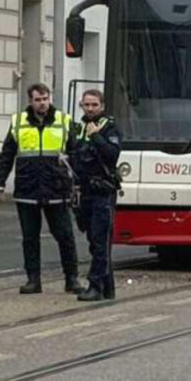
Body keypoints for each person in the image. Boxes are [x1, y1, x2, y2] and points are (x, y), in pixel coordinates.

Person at [0, 83, 82, 295]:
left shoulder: (64, 121)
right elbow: (7, 155)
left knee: (64, 235)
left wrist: (79, 183)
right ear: (30, 101)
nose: (42, 103)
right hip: (28, 188)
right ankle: (33, 280)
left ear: (49, 98)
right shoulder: (18, 122)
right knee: (30, 237)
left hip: (56, 187)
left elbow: (76, 154)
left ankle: (72, 279)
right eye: (38, 100)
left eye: (45, 99)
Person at [69, 89, 123, 302]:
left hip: (103, 191)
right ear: (81, 105)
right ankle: (108, 286)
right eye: (87, 105)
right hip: (84, 192)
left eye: (94, 105)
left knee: (101, 241)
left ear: (102, 106)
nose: (90, 109)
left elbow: (112, 155)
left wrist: (96, 136)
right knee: (93, 240)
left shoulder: (109, 128)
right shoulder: (79, 129)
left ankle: (95, 285)